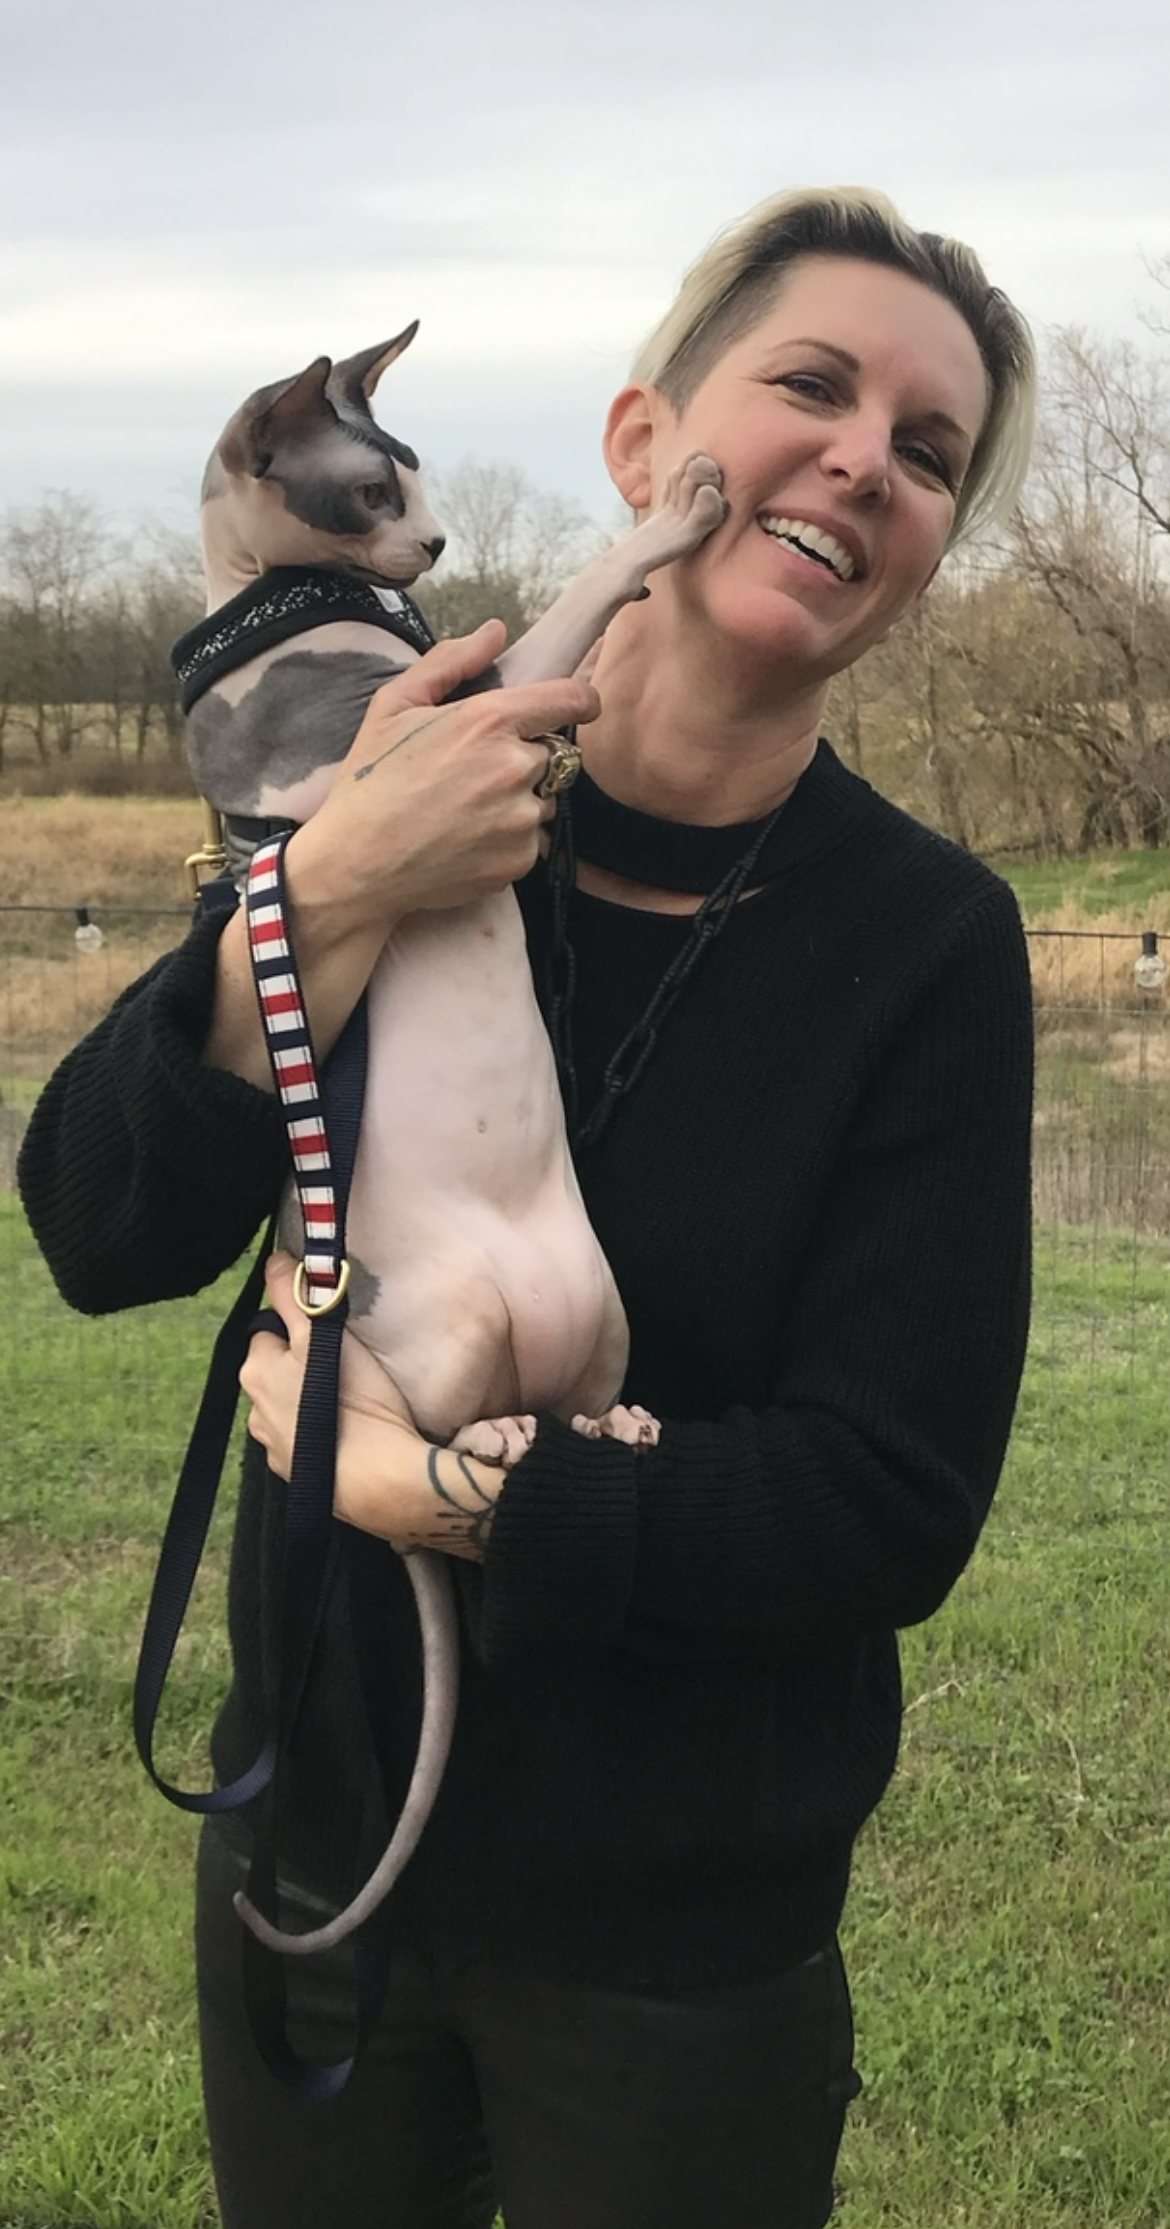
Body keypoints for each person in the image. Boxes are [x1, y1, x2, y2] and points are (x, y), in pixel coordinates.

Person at [18, 186, 1037, 2229]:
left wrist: (439, 1496)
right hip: (316, 1858)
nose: (865, 458)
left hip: (681, 1957)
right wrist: (320, 895)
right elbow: (99, 1226)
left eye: (929, 453)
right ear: (646, 447)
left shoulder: (929, 942)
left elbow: (888, 1502)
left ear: (921, 558)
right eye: (812, 387)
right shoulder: (388, 780)